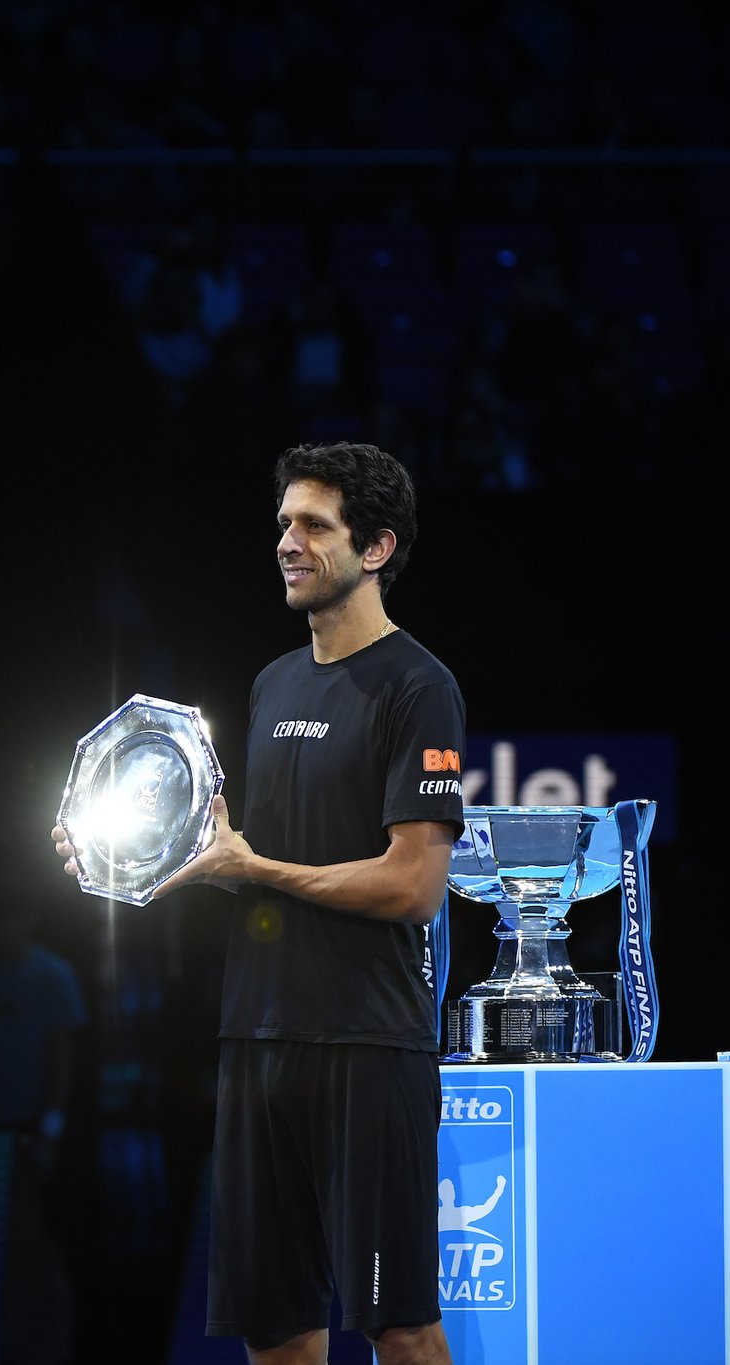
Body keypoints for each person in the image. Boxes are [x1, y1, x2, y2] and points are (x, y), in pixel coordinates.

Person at [54, 442, 463, 1365]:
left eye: (314, 525)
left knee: (395, 1322)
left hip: (368, 1043)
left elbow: (412, 884)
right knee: (274, 1327)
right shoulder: (272, 684)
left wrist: (260, 869)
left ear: (376, 548)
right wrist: (133, 854)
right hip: (258, 1039)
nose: (288, 540)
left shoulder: (420, 687)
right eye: (284, 521)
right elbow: (241, 857)